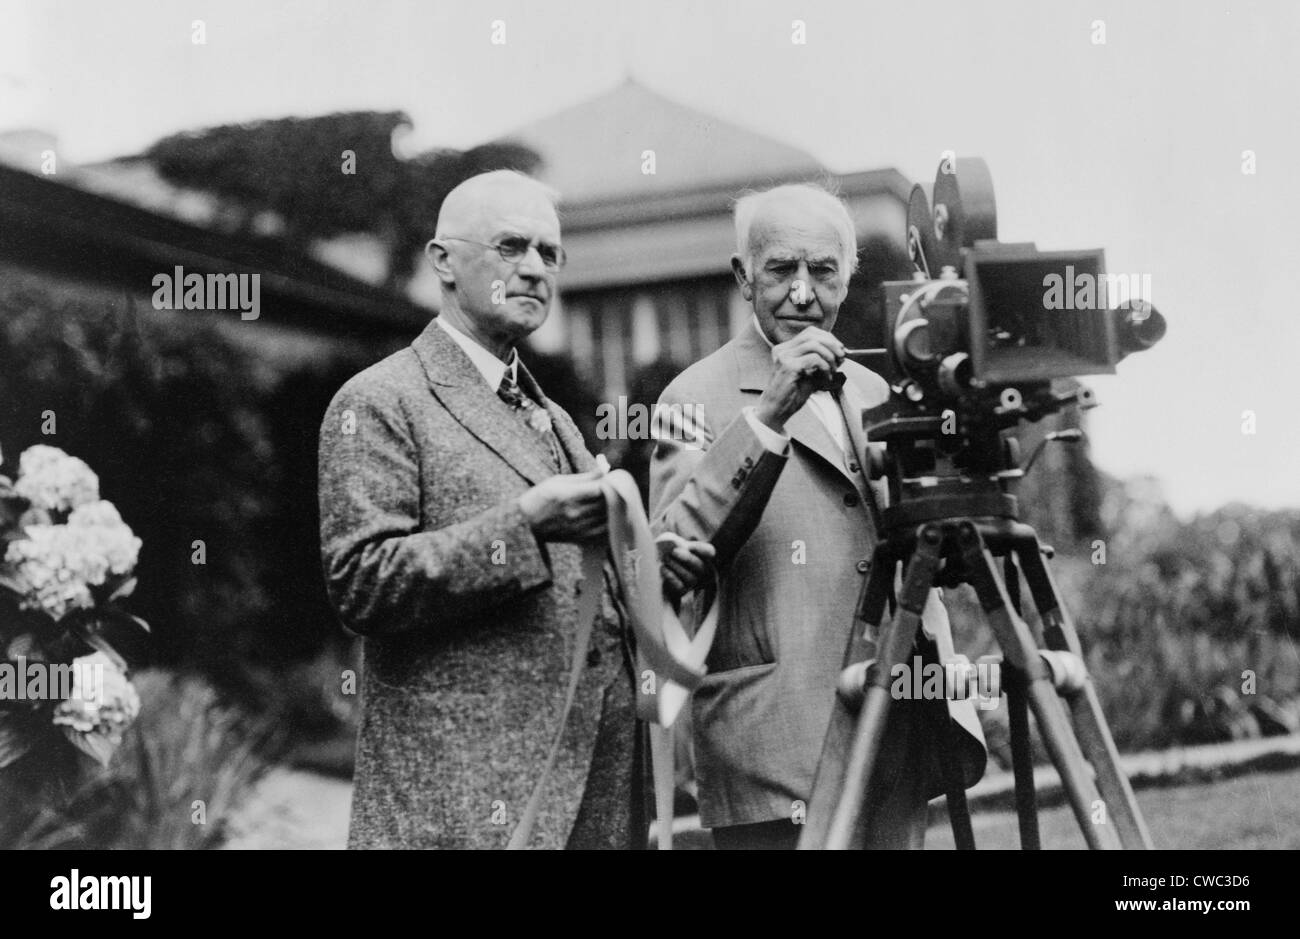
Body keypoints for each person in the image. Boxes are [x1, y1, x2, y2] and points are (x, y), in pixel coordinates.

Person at [318, 170, 711, 849]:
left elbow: (573, 579)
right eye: (511, 247)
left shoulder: (551, 415)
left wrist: (638, 566)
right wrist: (525, 524)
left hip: (598, 794)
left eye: (549, 254)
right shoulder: (379, 400)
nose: (535, 270)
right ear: (443, 260)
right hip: (466, 805)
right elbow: (363, 582)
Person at [650, 183, 984, 850]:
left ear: (846, 276)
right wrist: (767, 414)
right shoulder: (691, 396)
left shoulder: (877, 389)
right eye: (781, 269)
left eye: (823, 270)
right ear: (743, 277)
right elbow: (673, 552)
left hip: (895, 725)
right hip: (771, 744)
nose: (802, 293)